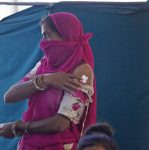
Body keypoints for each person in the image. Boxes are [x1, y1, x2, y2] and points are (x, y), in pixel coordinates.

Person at [0, 12, 96, 150]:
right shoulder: (43, 65)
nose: (43, 42)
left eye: (47, 35)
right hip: (29, 144)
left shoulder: (82, 71)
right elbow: (9, 96)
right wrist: (47, 79)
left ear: (65, 35)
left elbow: (60, 123)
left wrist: (19, 127)